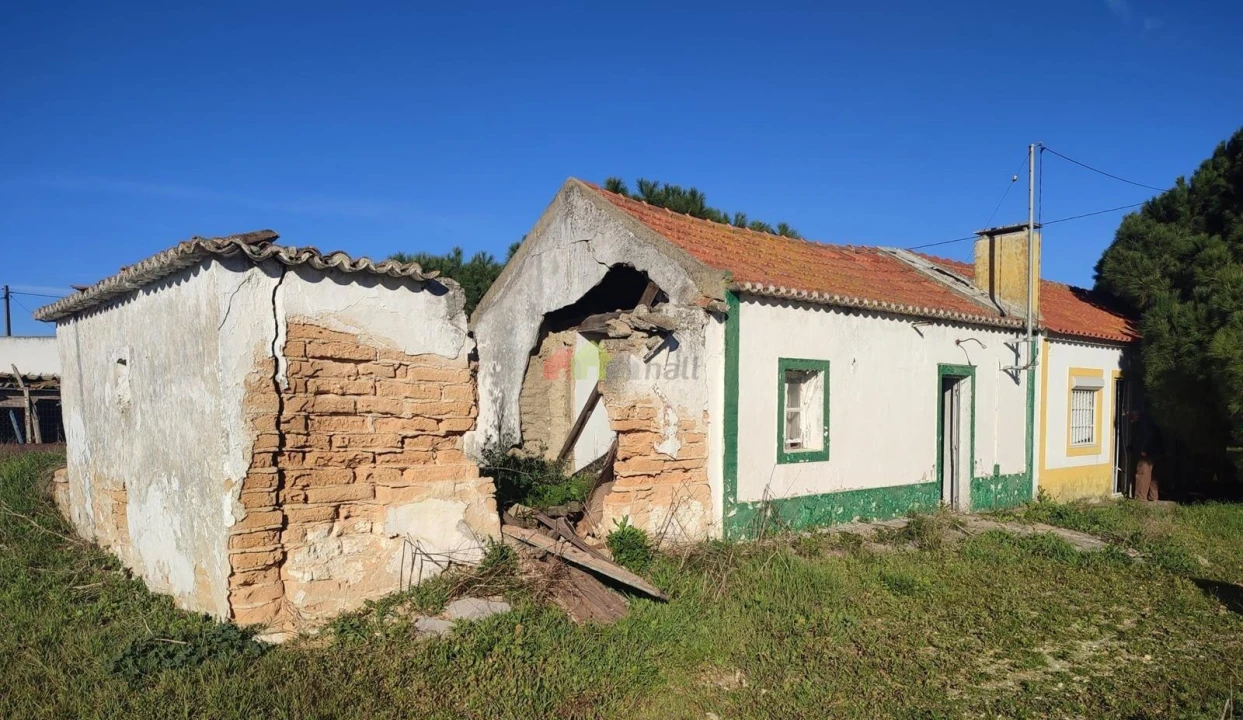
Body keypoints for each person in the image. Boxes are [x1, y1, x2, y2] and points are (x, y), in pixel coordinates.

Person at [1129, 409, 1159, 501]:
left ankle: (1140, 497)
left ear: (1138, 415)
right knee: (1152, 475)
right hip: (1154, 452)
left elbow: (1145, 437)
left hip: (1146, 453)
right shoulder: (1150, 422)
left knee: (1143, 473)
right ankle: (1153, 496)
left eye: (1132, 415)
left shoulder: (1143, 425)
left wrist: (1143, 449)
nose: (1131, 418)